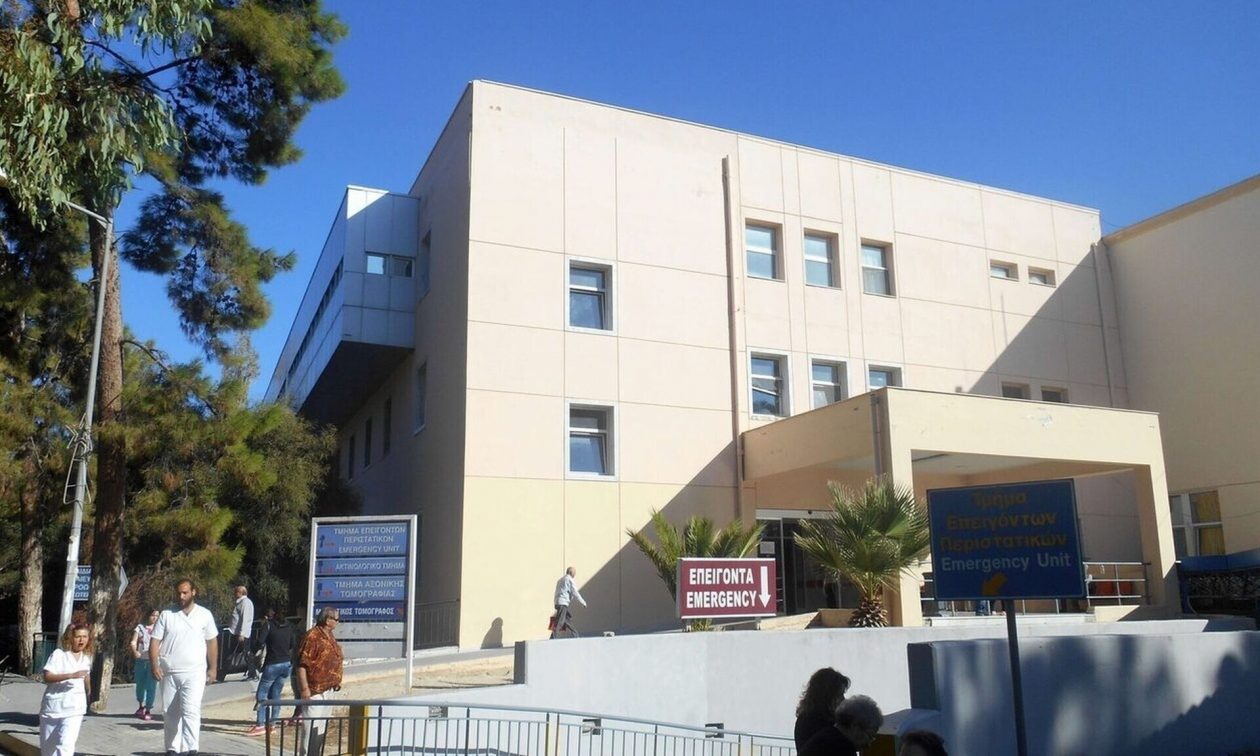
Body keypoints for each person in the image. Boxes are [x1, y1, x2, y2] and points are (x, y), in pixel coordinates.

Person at [150, 578, 219, 756]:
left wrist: (213, 668)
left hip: (194, 672)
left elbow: (212, 642)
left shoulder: (204, 615)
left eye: (185, 593)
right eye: (179, 593)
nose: (181, 596)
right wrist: (154, 665)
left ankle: (190, 748)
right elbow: (155, 641)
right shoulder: (167, 614)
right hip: (169, 672)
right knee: (170, 713)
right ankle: (172, 749)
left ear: (193, 592)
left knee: (191, 710)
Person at [295, 606, 344, 756]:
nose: (338, 622)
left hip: (328, 690)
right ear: (328, 620)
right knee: (310, 729)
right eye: (336, 619)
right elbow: (302, 665)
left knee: (320, 729)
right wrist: (304, 689)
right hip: (314, 691)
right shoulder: (312, 636)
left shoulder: (329, 635)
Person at [39, 622, 93, 756]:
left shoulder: (87, 657)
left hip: (75, 709)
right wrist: (71, 675)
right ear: (71, 638)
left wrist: (89, 692)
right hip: (54, 708)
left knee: (65, 746)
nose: (81, 640)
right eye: (78, 637)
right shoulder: (59, 655)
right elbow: (47, 677)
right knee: (48, 750)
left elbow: (86, 676)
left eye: (85, 637)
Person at [246, 609, 297, 736]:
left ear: (267, 617)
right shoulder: (289, 626)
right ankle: (272, 725)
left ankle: (260, 725)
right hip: (286, 663)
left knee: (262, 694)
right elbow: (292, 644)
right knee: (276, 695)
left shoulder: (268, 625)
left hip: (273, 663)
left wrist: (253, 651)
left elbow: (260, 642)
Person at [799, 694, 883, 756]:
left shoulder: (825, 738)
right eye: (870, 736)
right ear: (855, 727)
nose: (868, 745)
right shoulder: (843, 749)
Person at [794, 667, 852, 750]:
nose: (843, 699)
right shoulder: (817, 722)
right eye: (840, 695)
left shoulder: (806, 718)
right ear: (828, 695)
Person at [130, 609, 159, 720]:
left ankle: (148, 709)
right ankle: (141, 706)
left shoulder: (160, 629)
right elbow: (133, 642)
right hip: (141, 660)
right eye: (153, 615)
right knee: (140, 685)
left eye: (157, 616)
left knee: (151, 686)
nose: (155, 618)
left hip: (153, 661)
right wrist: (135, 651)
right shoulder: (140, 627)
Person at [550, 566, 586, 638]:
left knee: (567, 619)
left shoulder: (560, 580)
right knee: (560, 621)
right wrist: (583, 602)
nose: (575, 575)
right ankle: (553, 637)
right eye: (574, 573)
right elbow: (575, 592)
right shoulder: (569, 580)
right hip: (563, 603)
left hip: (558, 602)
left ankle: (576, 634)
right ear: (571, 572)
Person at [231, 584, 257, 680]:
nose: (235, 593)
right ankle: (221, 674)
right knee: (239, 652)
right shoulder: (241, 602)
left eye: (236, 592)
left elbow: (245, 619)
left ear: (241, 593)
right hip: (237, 632)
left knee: (246, 653)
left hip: (242, 634)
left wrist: (242, 634)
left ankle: (252, 673)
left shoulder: (245, 603)